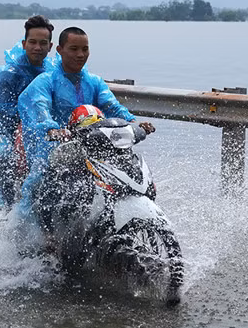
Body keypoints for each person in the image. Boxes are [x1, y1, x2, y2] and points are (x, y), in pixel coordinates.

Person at [16, 26, 154, 230]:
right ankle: (41, 235)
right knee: (40, 183)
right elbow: (39, 106)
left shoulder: (94, 82)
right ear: (60, 50)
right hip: (56, 149)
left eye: (85, 49)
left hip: (94, 145)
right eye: (74, 49)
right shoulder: (46, 81)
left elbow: (111, 106)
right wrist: (52, 129)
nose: (80, 55)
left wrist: (132, 122)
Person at [0, 15, 57, 207]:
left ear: (50, 46)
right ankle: (6, 207)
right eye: (33, 42)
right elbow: (2, 114)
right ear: (24, 43)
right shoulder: (8, 75)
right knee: (3, 155)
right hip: (4, 129)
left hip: (41, 127)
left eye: (42, 43)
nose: (37, 48)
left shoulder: (53, 71)